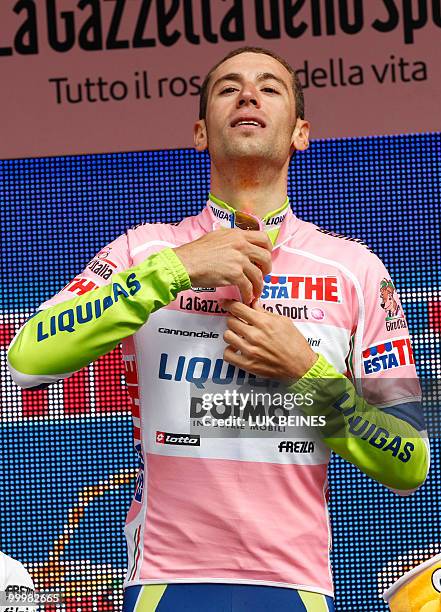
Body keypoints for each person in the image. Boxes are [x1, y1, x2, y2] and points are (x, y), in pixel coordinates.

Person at [7, 47, 429, 612]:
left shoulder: (354, 271)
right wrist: (179, 268)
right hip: (165, 581)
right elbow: (26, 359)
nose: (249, 94)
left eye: (270, 87)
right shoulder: (146, 250)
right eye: (229, 87)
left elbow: (409, 460)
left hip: (296, 587)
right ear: (201, 131)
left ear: (301, 132)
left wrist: (309, 376)